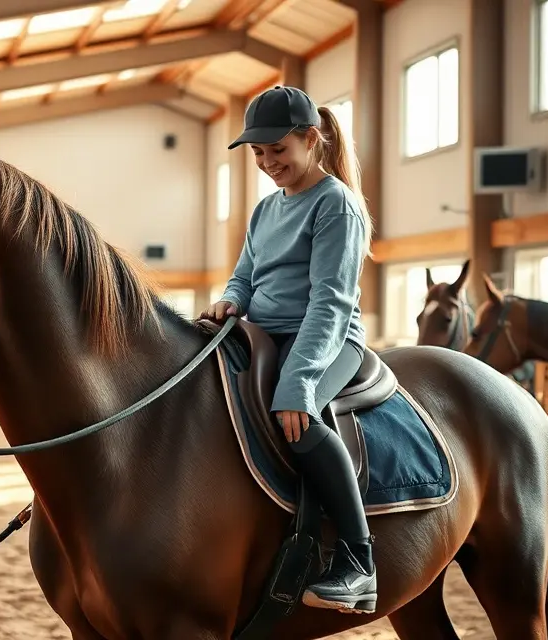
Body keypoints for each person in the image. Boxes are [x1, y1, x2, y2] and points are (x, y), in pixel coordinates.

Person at [199, 86, 376, 614]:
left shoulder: (335, 204)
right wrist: (229, 302)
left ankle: (357, 560)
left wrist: (298, 382)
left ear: (310, 138)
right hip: (264, 333)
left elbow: (330, 302)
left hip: (329, 337)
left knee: (297, 420)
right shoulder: (264, 210)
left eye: (277, 150)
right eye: (258, 154)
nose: (267, 163)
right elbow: (244, 276)